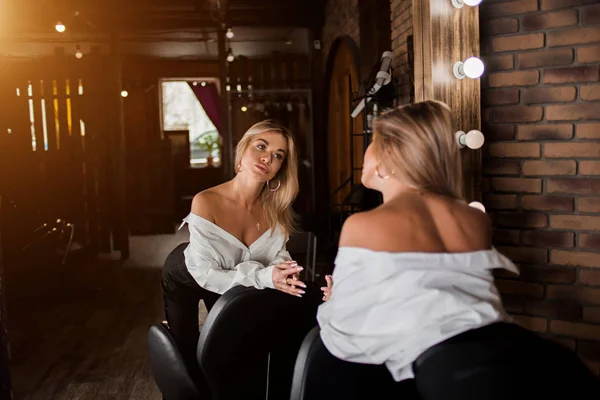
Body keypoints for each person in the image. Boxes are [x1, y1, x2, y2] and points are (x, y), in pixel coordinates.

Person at [316, 101, 599, 399]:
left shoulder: (364, 225)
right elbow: (434, 294)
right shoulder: (474, 219)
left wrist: (335, 302)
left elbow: (345, 338)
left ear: (389, 153)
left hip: (463, 374)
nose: (366, 152)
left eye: (373, 142)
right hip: (531, 354)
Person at [162, 120, 307, 382]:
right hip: (188, 275)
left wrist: (285, 272)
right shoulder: (206, 201)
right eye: (261, 146)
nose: (267, 158)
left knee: (227, 348)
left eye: (278, 155)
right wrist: (265, 277)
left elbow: (276, 256)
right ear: (242, 151)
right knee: (186, 353)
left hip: (233, 275)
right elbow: (208, 276)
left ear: (280, 169)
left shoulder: (277, 209)